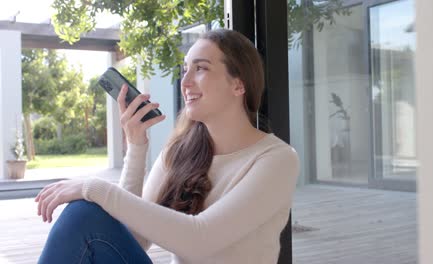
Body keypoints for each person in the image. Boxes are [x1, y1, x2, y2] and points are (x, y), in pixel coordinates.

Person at [35, 28, 300, 264]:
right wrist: (136, 147)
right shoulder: (181, 151)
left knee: (85, 211)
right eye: (185, 70)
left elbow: (200, 240)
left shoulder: (276, 159)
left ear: (238, 84)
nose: (185, 83)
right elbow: (134, 238)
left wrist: (92, 188)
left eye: (201, 68)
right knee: (83, 214)